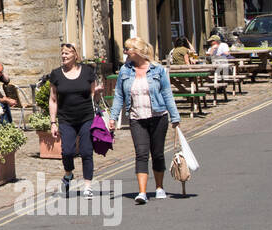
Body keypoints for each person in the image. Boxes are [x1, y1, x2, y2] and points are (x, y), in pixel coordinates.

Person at [108, 36, 181, 205]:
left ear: (137, 52)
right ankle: (142, 192)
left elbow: (167, 93)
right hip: (136, 118)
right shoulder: (125, 71)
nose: (125, 52)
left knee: (157, 153)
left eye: (128, 49)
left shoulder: (158, 70)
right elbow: (119, 95)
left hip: (158, 116)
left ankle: (159, 187)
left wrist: (175, 117)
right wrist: (113, 117)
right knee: (141, 154)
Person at [48, 43, 104, 197]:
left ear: (75, 55)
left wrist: (98, 92)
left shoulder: (87, 72)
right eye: (62, 53)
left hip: (86, 117)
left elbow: (93, 96)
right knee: (68, 151)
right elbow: (53, 100)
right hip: (66, 119)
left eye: (67, 53)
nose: (64, 56)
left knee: (86, 151)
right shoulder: (56, 74)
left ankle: (87, 186)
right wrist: (53, 123)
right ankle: (68, 174)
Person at [0, 59, 21, 125]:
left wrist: (8, 100)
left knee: (5, 104)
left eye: (0, 72)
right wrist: (7, 100)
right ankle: (5, 126)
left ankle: (9, 126)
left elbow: (7, 80)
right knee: (2, 105)